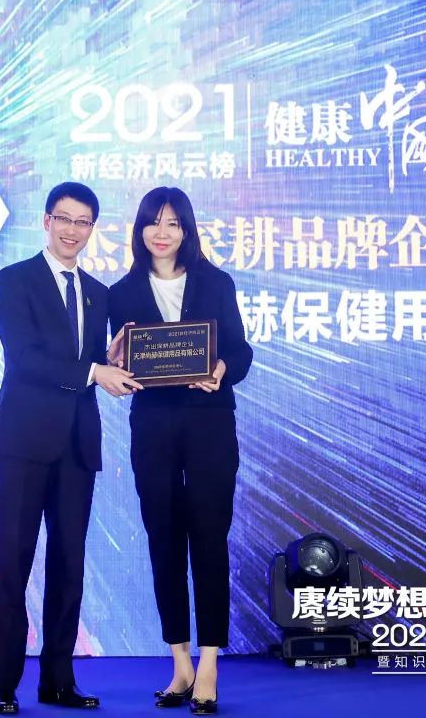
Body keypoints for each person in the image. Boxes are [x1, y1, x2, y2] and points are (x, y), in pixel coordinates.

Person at [0, 182, 141, 714]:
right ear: (46, 221)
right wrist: (95, 370)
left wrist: (110, 360)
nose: (73, 230)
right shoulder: (15, 280)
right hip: (22, 443)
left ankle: (58, 680)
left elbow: (87, 363)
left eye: (83, 222)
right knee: (12, 562)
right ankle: (3, 683)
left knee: (69, 565)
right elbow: (25, 358)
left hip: (77, 445)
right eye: (64, 219)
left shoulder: (97, 292)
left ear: (92, 228)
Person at [108, 187, 252, 715]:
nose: (162, 232)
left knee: (209, 536)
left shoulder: (216, 282)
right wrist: (114, 361)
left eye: (173, 223)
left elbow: (240, 350)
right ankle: (181, 663)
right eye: (153, 222)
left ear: (187, 229)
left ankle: (209, 663)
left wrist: (221, 369)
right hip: (152, 425)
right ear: (140, 230)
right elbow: (121, 362)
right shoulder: (121, 292)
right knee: (163, 538)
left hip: (209, 422)